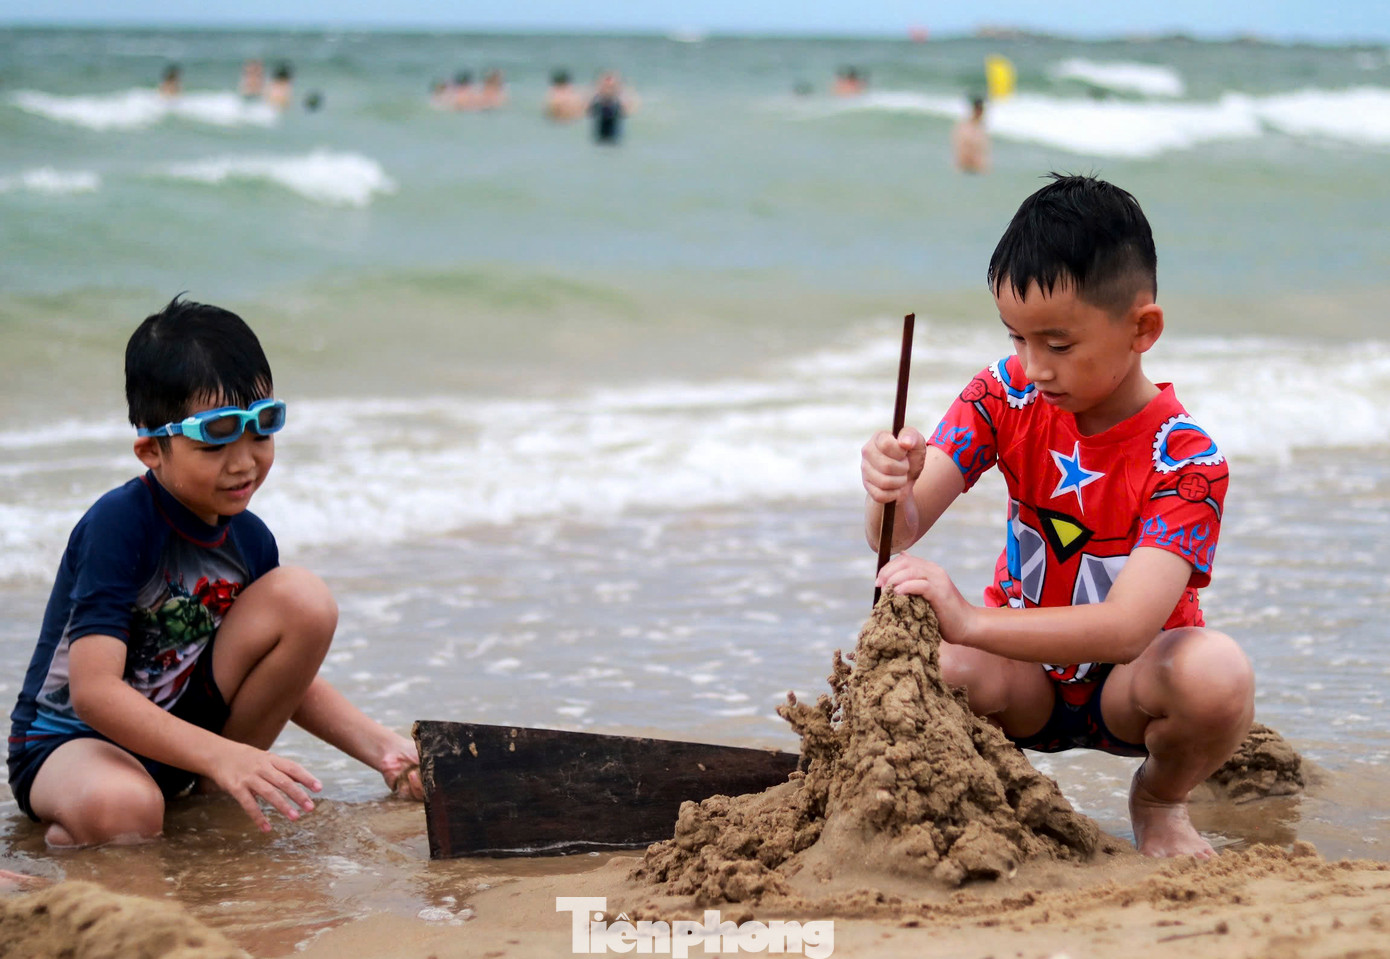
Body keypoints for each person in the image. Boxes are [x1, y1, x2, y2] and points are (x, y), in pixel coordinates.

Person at [860, 175, 1254, 860]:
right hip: (1020, 680)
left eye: (1059, 344)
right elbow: (899, 530)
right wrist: (889, 486)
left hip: (1130, 689)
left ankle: (1159, 800)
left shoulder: (1186, 458)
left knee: (1216, 674)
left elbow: (1129, 628)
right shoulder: (1003, 392)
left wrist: (972, 617)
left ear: (1142, 328)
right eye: (1017, 337)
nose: (1033, 365)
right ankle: (983, 795)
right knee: (937, 658)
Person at [7, 297, 423, 848]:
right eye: (217, 435)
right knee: (125, 807)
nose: (244, 461)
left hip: (186, 751)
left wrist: (385, 752)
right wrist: (225, 753)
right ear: (152, 449)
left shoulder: (249, 538)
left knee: (303, 598)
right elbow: (93, 693)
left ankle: (212, 794)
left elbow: (281, 676)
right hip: (73, 745)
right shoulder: (120, 524)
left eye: (261, 429)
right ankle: (75, 834)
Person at [589, 70, 635, 145]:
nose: (608, 89)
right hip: (600, 140)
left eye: (611, 87)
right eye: (606, 86)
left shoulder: (619, 102)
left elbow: (629, 110)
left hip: (615, 140)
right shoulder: (596, 101)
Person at [952, 96, 990, 173]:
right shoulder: (967, 126)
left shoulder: (980, 125)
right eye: (981, 109)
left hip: (975, 168)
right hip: (968, 168)